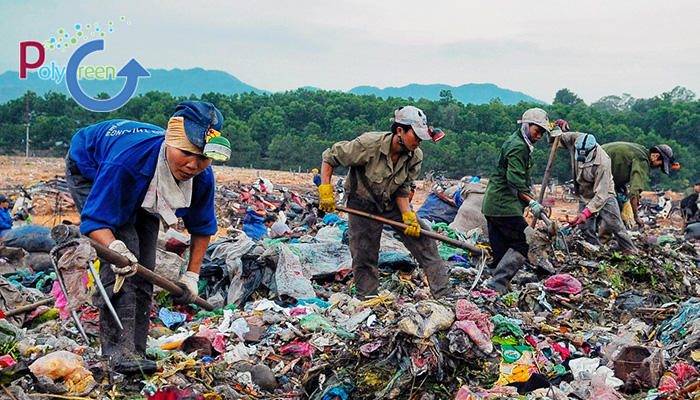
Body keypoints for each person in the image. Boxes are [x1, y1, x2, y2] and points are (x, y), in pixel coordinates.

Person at [65, 101, 231, 374]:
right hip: (92, 166)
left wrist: (191, 276)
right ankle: (116, 352)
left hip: (146, 182)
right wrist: (116, 248)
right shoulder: (125, 162)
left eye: (203, 157)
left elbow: (202, 227)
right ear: (170, 144)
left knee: (145, 263)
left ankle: (136, 349)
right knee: (124, 252)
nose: (193, 164)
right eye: (186, 153)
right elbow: (96, 221)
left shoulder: (201, 175)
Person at [318, 105, 450, 299]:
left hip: (391, 203)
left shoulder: (415, 156)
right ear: (400, 131)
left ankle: (444, 294)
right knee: (365, 254)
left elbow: (403, 188)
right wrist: (325, 191)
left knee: (425, 241)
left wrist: (408, 216)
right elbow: (330, 158)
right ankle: (368, 298)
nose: (419, 142)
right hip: (361, 203)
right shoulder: (368, 145)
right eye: (416, 136)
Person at [481, 108, 550, 293]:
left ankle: (496, 292)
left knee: (501, 249)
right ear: (526, 126)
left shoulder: (520, 142)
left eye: (543, 133)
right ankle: (497, 285)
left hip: (493, 204)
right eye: (537, 131)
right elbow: (515, 181)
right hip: (504, 205)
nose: (540, 136)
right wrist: (532, 202)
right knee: (524, 242)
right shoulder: (518, 146)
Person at [549, 129, 637, 253]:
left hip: (604, 195)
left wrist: (586, 213)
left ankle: (631, 250)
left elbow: (601, 194)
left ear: (594, 151)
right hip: (585, 193)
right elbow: (556, 138)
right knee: (585, 228)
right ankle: (596, 250)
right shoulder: (576, 140)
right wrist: (555, 129)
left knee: (616, 226)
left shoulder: (603, 163)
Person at [602, 141, 679, 228]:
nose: (658, 167)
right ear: (655, 156)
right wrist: (636, 216)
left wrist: (622, 185)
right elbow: (635, 191)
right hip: (597, 173)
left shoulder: (640, 150)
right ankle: (602, 238)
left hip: (597, 169)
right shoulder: (642, 160)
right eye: (660, 164)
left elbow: (619, 167)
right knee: (614, 209)